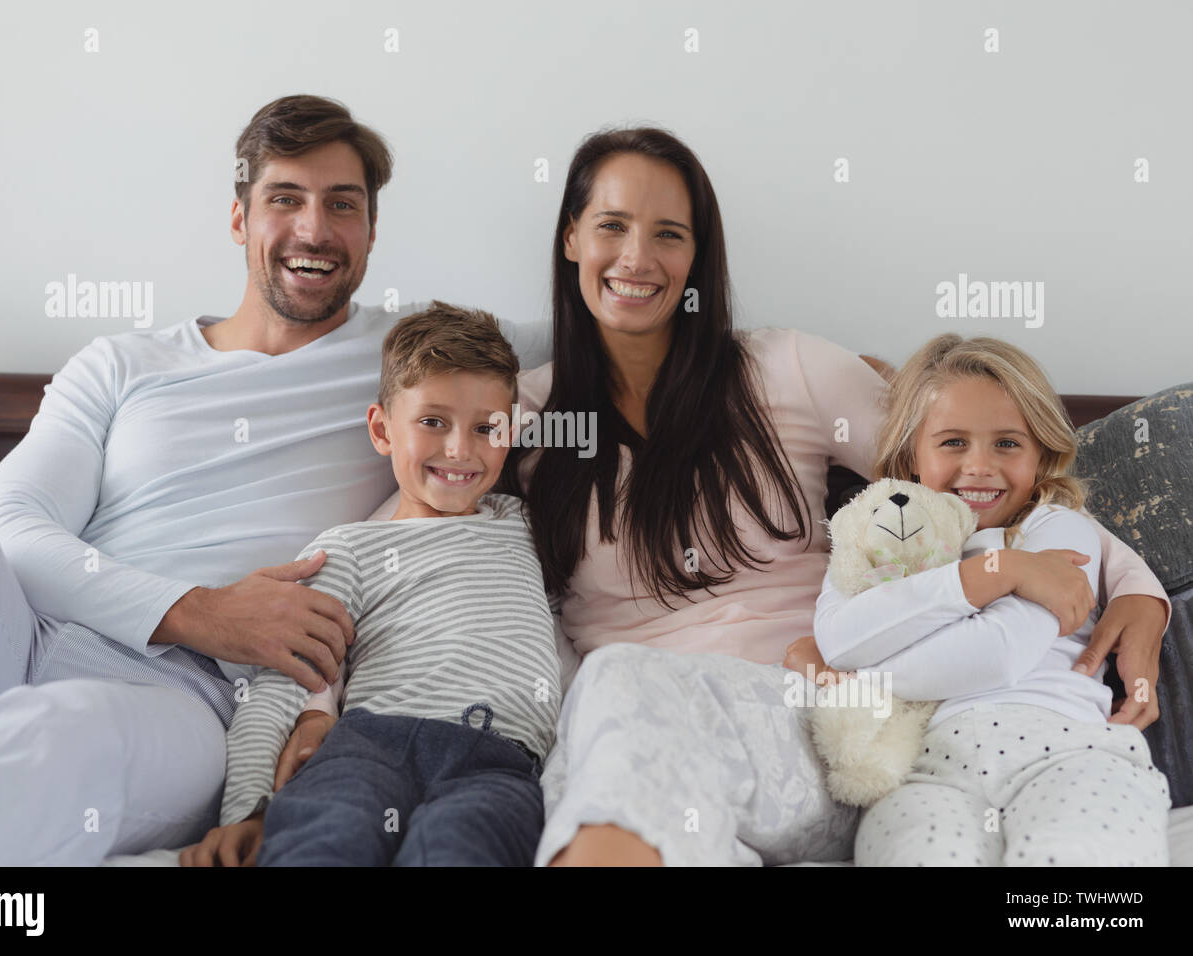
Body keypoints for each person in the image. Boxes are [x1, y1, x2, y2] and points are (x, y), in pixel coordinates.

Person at [0, 95, 548, 864]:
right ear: (240, 219)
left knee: (61, 735)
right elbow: (13, 525)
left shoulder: (414, 364)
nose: (313, 229)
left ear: (371, 231)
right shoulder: (122, 362)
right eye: (284, 199)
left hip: (183, 702)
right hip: (15, 633)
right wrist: (196, 609)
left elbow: (613, 322)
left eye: (343, 204)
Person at [497, 126, 1170, 866]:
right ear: (570, 238)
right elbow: (409, 530)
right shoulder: (522, 418)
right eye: (612, 226)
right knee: (610, 718)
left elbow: (969, 476)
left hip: (814, 724)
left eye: (668, 234)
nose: (636, 258)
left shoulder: (786, 368)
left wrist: (1139, 592)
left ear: (697, 257)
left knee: (617, 683)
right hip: (636, 745)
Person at [180, 304, 561, 866]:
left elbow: (595, 373)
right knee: (329, 836)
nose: (460, 448)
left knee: (467, 847)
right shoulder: (348, 550)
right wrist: (247, 812)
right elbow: (281, 682)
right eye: (432, 421)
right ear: (382, 429)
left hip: (498, 762)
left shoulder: (529, 526)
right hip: (370, 744)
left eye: (486, 428)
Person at [807, 334, 1170, 865]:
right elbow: (839, 640)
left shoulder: (1057, 530)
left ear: (1041, 454)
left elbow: (998, 653)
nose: (979, 466)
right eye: (953, 442)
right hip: (927, 769)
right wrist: (990, 577)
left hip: (1067, 751)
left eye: (1007, 443)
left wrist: (868, 676)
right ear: (911, 456)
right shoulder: (871, 539)